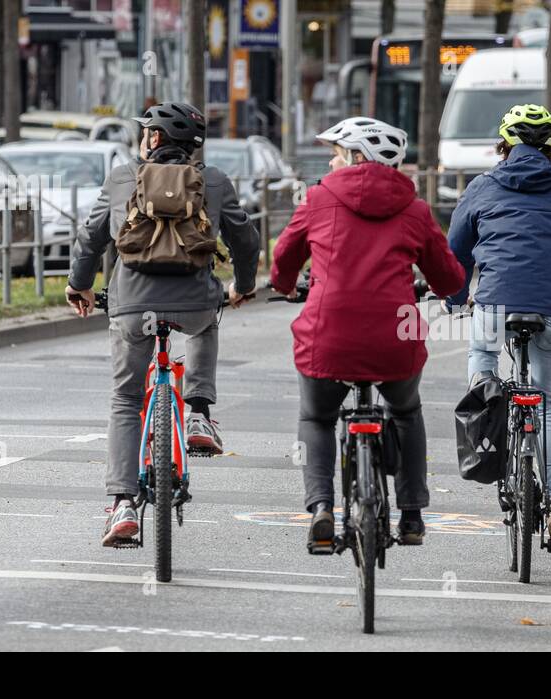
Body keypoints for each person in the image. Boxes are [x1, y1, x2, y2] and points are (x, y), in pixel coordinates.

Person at [68, 101, 260, 547]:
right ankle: (198, 414)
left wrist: (79, 286)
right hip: (193, 303)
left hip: (132, 307)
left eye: (144, 132)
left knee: (124, 398)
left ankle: (122, 505)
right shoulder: (213, 181)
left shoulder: (121, 179)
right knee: (207, 321)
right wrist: (242, 286)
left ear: (153, 138)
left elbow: (91, 238)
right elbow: (245, 240)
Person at [270, 117, 464, 549]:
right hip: (394, 339)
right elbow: (448, 276)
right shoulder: (415, 209)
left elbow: (284, 255)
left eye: (337, 153)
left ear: (358, 157)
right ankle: (411, 514)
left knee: (317, 417)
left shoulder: (319, 199)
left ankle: (321, 507)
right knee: (407, 411)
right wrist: (445, 288)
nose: (331, 161)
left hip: (328, 335)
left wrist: (285, 286)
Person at [446, 104, 551, 561]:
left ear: (505, 144)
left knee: (482, 361)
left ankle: (484, 431)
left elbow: (457, 252)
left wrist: (456, 297)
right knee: (548, 400)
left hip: (496, 304)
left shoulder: (482, 186)